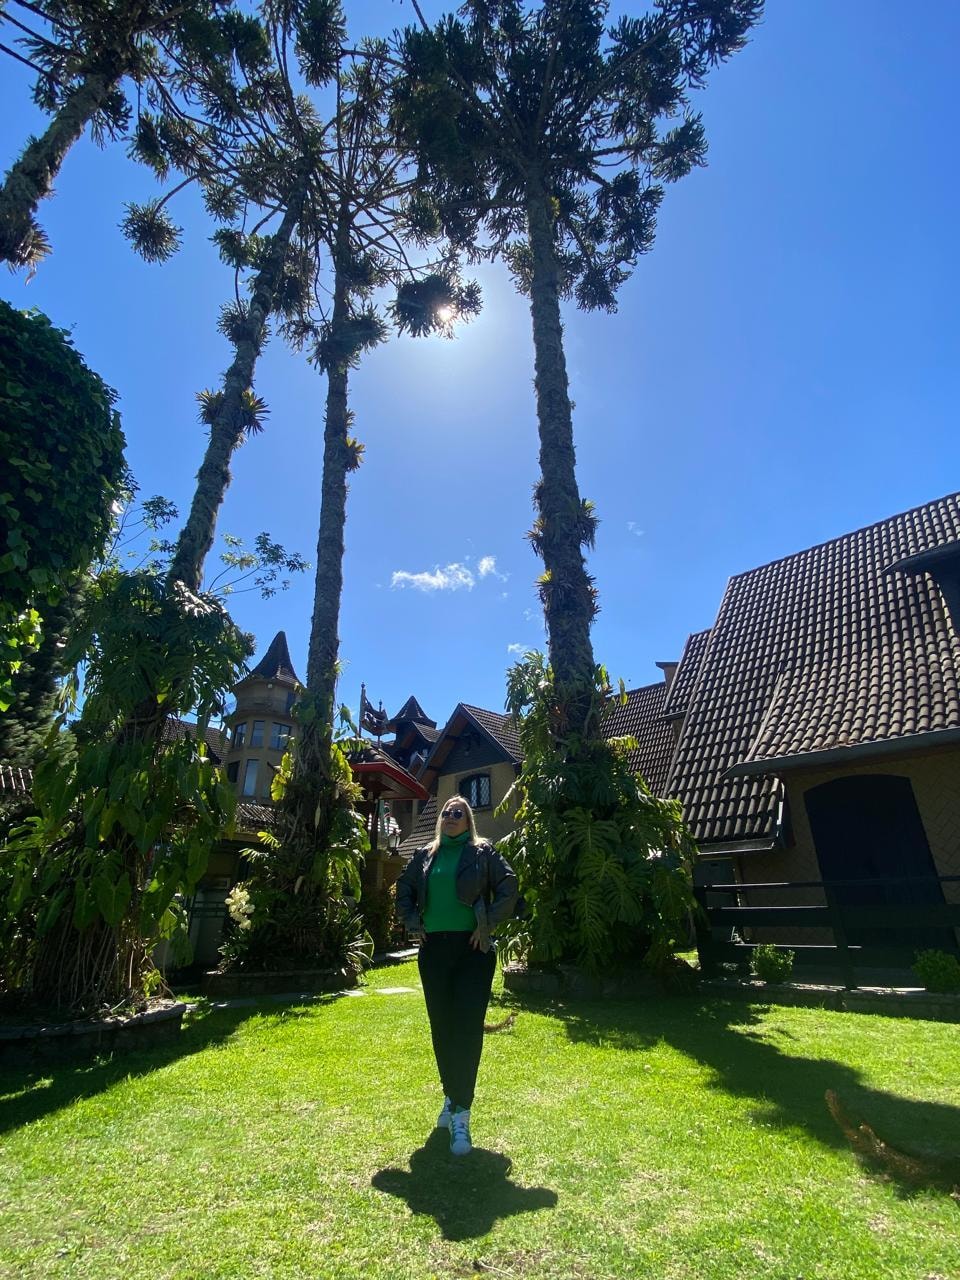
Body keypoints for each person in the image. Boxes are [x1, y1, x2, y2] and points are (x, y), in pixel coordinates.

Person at [395, 795, 518, 1156]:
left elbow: (509, 886)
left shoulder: (482, 852)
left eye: (458, 813)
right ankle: (451, 1095)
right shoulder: (425, 855)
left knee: (466, 1029)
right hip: (434, 951)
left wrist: (487, 923)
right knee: (442, 1027)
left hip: (472, 951)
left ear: (468, 821)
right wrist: (413, 921)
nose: (450, 817)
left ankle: (461, 1112)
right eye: (446, 812)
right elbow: (403, 890)